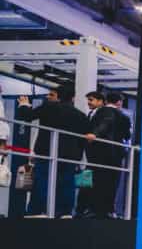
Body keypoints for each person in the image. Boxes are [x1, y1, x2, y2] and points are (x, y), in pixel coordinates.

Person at [16, 85, 88, 218]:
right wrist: (78, 157)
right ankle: (65, 212)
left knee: (42, 180)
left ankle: (38, 211)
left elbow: (27, 116)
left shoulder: (48, 107)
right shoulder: (81, 115)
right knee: (67, 183)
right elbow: (83, 139)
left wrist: (24, 105)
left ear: (58, 96)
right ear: (73, 97)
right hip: (70, 155)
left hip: (47, 151)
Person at [77, 91, 121, 218]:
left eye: (91, 100)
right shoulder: (91, 113)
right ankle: (82, 208)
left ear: (101, 101)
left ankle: (93, 209)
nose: (89, 102)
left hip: (102, 154)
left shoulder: (105, 111)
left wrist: (95, 134)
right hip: (91, 154)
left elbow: (105, 123)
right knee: (87, 179)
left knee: (97, 181)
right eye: (88, 100)